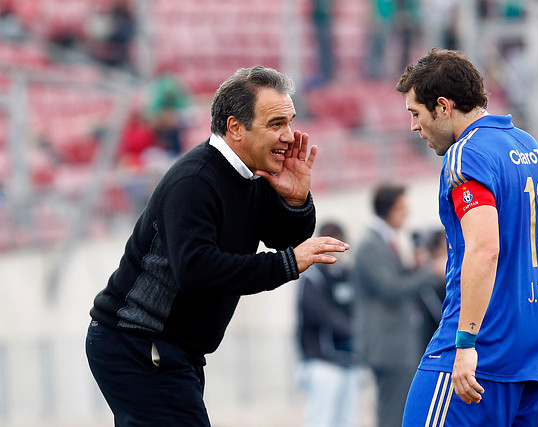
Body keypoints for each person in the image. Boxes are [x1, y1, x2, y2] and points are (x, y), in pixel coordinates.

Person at [85, 66, 349, 426]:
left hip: (168, 348)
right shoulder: (195, 181)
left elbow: (285, 239)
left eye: (289, 122)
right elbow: (197, 270)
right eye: (276, 124)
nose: (289, 136)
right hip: (137, 343)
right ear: (235, 127)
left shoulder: (253, 175)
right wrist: (286, 263)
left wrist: (296, 201)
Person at [396, 48, 538, 426]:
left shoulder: (466, 154)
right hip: (535, 360)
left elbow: (485, 249)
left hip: (480, 355)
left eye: (415, 114)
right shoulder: (531, 148)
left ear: (443, 106)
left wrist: (466, 343)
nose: (413, 127)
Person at [353, 184, 439, 427]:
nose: (406, 214)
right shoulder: (371, 244)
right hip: (388, 345)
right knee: (393, 414)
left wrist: (414, 269)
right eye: (402, 209)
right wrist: (427, 271)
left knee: (399, 410)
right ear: (388, 210)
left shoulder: (383, 240)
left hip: (396, 344)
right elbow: (390, 289)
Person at [296, 221, 360, 427]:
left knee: (346, 420)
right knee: (321, 420)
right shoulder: (312, 278)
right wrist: (354, 330)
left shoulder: (347, 275)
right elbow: (323, 315)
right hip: (322, 361)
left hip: (349, 360)